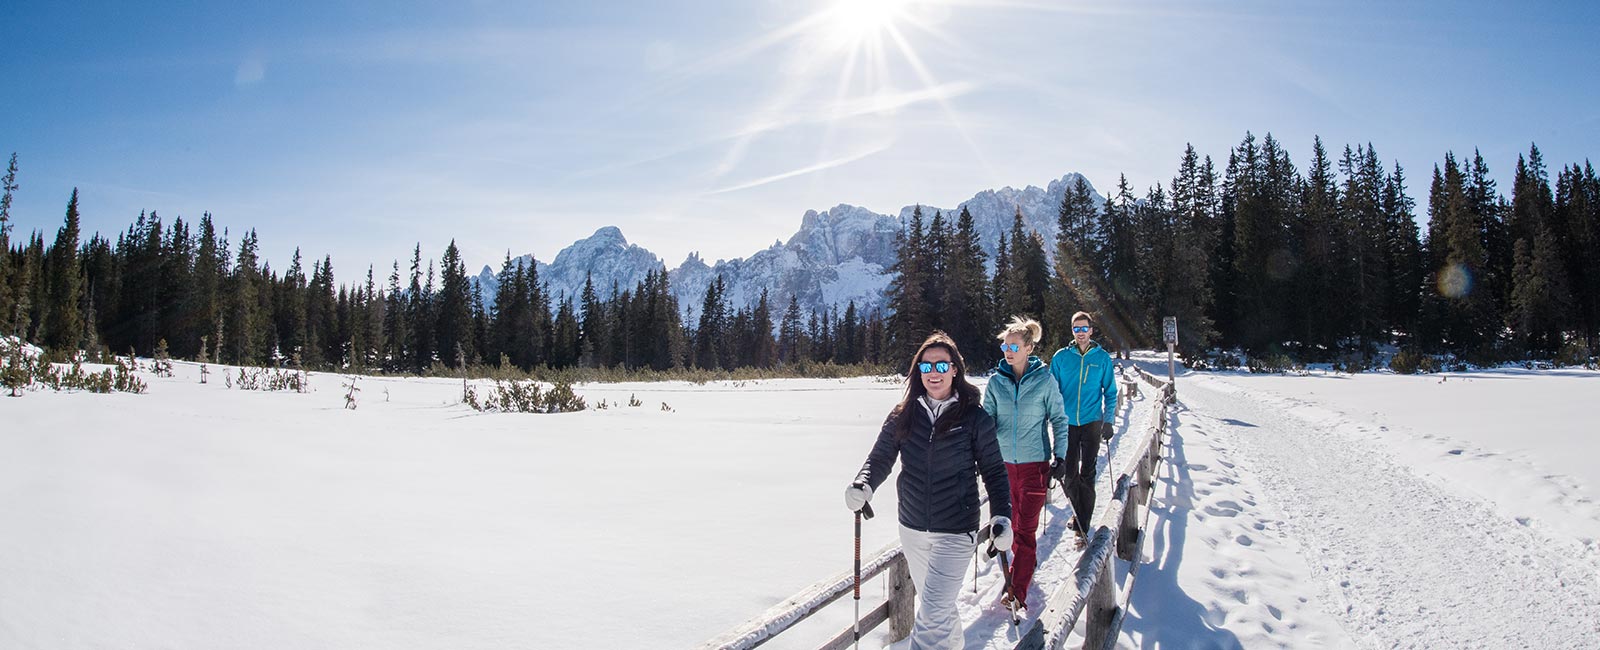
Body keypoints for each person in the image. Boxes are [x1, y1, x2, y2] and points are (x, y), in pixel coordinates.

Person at [846, 331, 1012, 649]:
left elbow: (994, 471)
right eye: (926, 367)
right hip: (912, 528)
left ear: (955, 369)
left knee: (932, 613)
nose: (933, 373)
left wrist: (1002, 515)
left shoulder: (975, 418)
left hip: (955, 530)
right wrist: (863, 484)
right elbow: (880, 458)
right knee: (940, 610)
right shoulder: (903, 414)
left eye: (940, 365)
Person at [981, 316, 1071, 611]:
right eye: (1005, 346)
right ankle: (1017, 576)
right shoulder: (996, 382)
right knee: (1008, 526)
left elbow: (1059, 419)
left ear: (1029, 348)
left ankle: (1017, 592)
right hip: (1003, 467)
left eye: (1014, 346)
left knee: (1025, 531)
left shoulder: (1045, 381)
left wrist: (1061, 456)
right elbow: (987, 421)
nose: (1008, 351)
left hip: (1035, 466)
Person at [1049, 311, 1118, 548]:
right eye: (1076, 329)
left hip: (1091, 422)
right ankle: (1078, 511)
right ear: (1072, 331)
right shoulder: (1061, 358)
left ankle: (1082, 526)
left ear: (1091, 330)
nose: (1080, 333)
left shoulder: (1101, 358)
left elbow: (1110, 392)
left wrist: (1108, 421)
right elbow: (1051, 391)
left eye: (1084, 328)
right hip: (1066, 424)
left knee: (1087, 473)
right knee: (1069, 475)